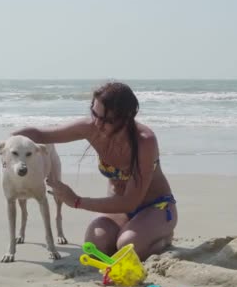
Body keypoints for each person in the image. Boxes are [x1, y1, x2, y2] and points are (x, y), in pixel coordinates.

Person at [11, 82, 177, 261]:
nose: (97, 123)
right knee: (95, 245)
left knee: (129, 247)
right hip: (119, 210)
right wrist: (10, 141)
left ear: (126, 118)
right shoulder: (91, 127)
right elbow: (41, 134)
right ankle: (134, 231)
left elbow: (130, 202)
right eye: (94, 113)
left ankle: (163, 237)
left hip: (156, 207)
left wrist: (76, 201)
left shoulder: (145, 141)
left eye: (107, 120)